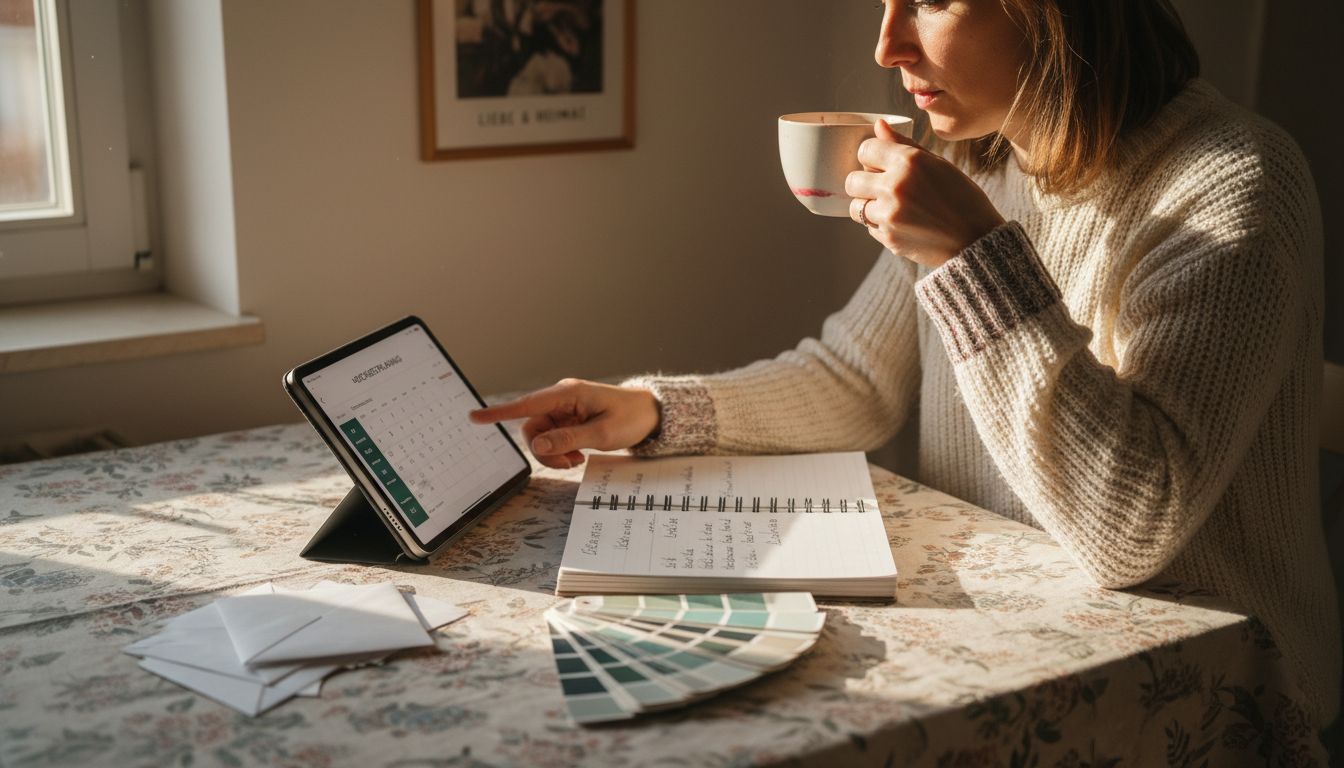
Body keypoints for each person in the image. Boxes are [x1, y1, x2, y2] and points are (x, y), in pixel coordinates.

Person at [470, 0, 1341, 734]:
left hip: (1218, 690)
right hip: (1014, 640)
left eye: (929, 1)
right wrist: (654, 412)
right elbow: (857, 380)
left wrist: (975, 255)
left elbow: (1132, 526)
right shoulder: (976, 162)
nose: (886, 46)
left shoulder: (1232, 185)